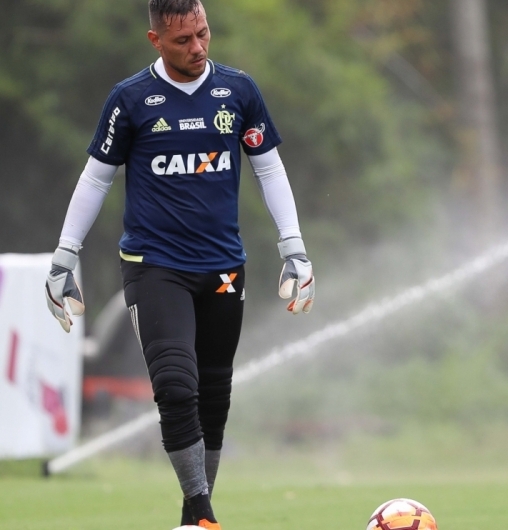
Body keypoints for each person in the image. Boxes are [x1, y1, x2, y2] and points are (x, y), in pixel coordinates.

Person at [43, 1, 315, 528]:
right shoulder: (130, 99)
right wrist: (64, 256)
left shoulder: (238, 91)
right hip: (154, 265)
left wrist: (294, 248)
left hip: (223, 266)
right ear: (155, 41)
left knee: (213, 392)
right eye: (184, 39)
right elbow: (96, 178)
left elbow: (270, 170)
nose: (198, 47)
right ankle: (201, 511)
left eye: (204, 34)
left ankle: (198, 515)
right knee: (175, 383)